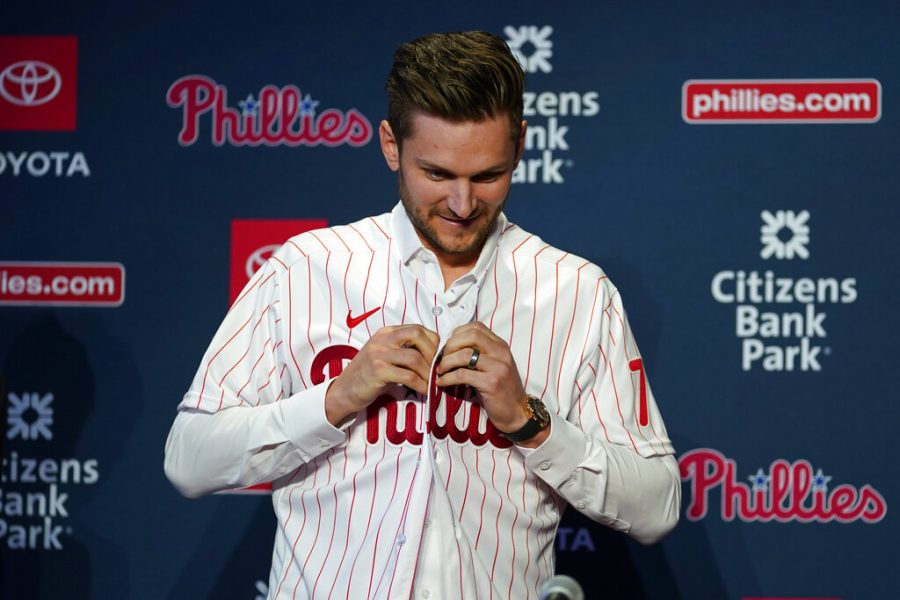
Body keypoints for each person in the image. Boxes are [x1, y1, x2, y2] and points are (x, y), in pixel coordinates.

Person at [164, 30, 680, 599]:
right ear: (391, 145)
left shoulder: (578, 291)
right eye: (437, 174)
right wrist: (335, 398)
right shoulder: (304, 269)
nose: (462, 204)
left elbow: (656, 505)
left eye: (488, 175)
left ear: (522, 146)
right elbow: (190, 459)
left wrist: (529, 422)